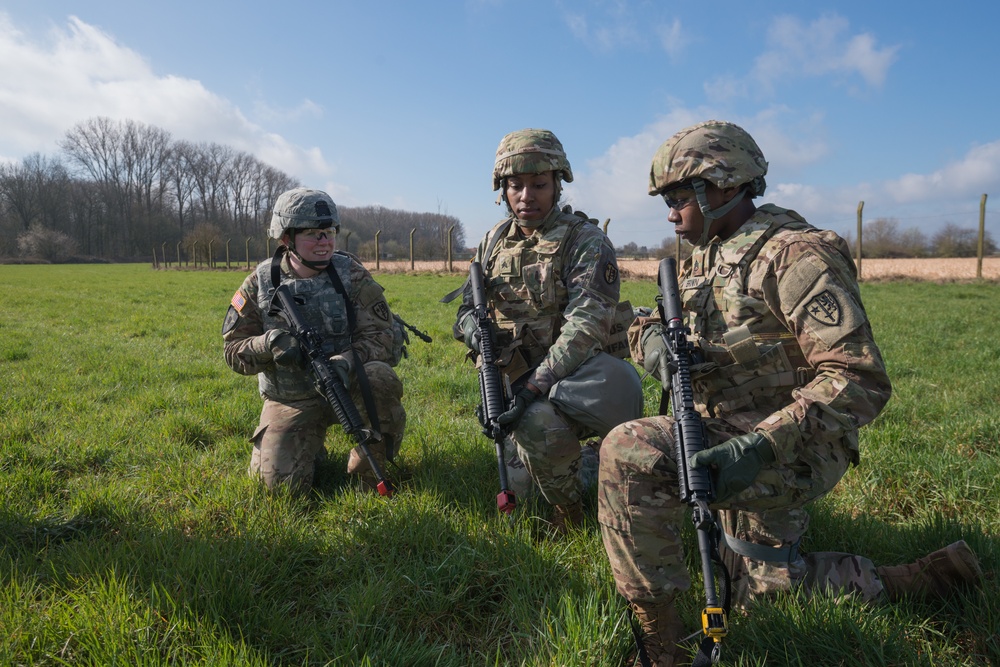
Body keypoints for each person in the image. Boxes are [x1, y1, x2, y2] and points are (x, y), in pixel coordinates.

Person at [597, 120, 983, 665]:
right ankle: (661, 639)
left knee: (759, 592)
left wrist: (757, 447)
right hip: (719, 432)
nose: (671, 211)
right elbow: (664, 325)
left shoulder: (795, 256)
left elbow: (859, 379)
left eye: (681, 195)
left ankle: (914, 581)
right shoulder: (704, 251)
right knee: (743, 585)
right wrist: (649, 337)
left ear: (725, 186)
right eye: (668, 197)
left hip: (789, 446)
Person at [448, 128, 641, 533]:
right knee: (524, 486)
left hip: (581, 379)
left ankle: (569, 513)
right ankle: (581, 460)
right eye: (515, 185)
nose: (526, 196)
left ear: (557, 184)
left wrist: (534, 386)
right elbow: (466, 308)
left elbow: (587, 322)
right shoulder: (493, 241)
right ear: (502, 189)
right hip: (517, 378)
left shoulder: (583, 239)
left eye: (538, 185)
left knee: (535, 424)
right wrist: (475, 333)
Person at [222, 187, 406, 494]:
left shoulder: (352, 274)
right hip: (291, 398)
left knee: (381, 379)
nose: (324, 241)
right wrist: (269, 344)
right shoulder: (260, 283)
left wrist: (347, 361)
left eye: (328, 231)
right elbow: (232, 350)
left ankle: (366, 473)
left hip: (348, 387)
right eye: (311, 233)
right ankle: (307, 444)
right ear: (285, 238)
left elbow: (383, 336)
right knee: (280, 491)